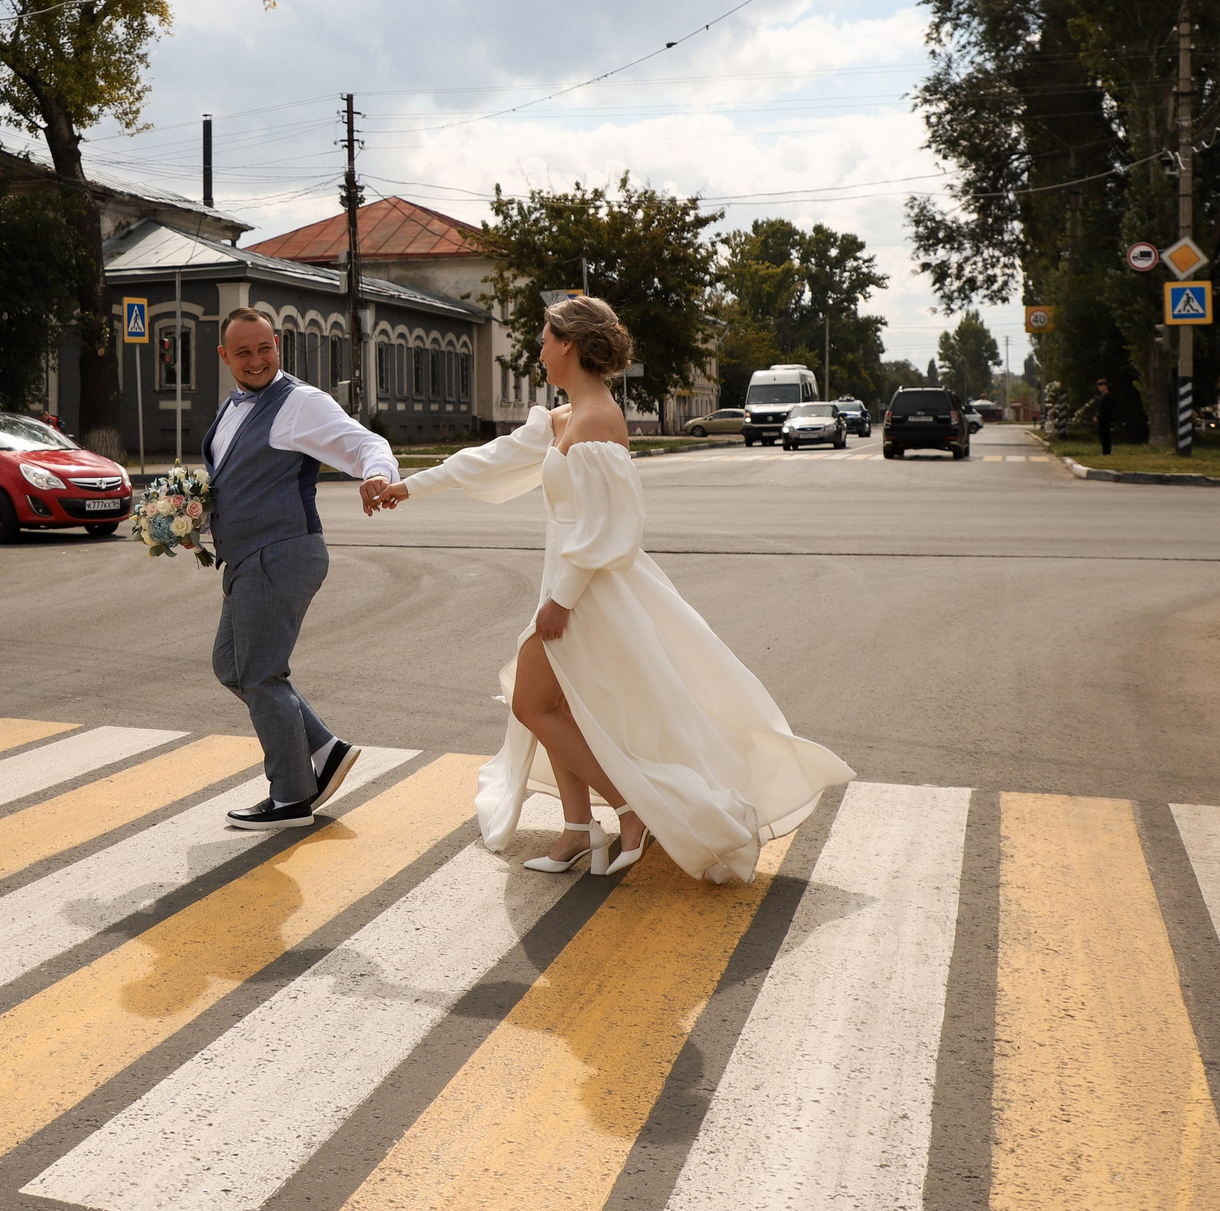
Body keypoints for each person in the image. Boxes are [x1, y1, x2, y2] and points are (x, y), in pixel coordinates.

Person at [377, 296, 852, 881]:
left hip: (587, 595)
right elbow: (486, 461)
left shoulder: (598, 421)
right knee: (551, 706)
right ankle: (580, 828)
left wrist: (563, 600)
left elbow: (615, 525)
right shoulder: (564, 417)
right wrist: (406, 488)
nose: (539, 349)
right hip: (569, 588)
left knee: (532, 703)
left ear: (569, 345)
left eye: (546, 338)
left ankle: (632, 808)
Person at [203, 305, 400, 829]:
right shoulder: (233, 407)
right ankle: (324, 749)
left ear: (278, 346)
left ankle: (291, 796)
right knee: (232, 666)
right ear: (225, 357)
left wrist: (377, 474)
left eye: (264, 347)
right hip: (249, 556)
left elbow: (363, 443)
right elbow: (235, 481)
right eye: (243, 351)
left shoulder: (300, 402)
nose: (256, 360)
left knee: (262, 673)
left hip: (282, 553)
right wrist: (192, 518)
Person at [1095, 377, 1115, 455]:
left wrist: (1099, 416)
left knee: (1106, 435)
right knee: (1102, 436)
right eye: (1099, 386)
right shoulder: (1102, 396)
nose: (1100, 387)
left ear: (1105, 386)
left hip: (1105, 419)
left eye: (1101, 385)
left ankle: (1107, 452)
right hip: (1102, 419)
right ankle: (1105, 451)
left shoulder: (1108, 396)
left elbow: (1105, 408)